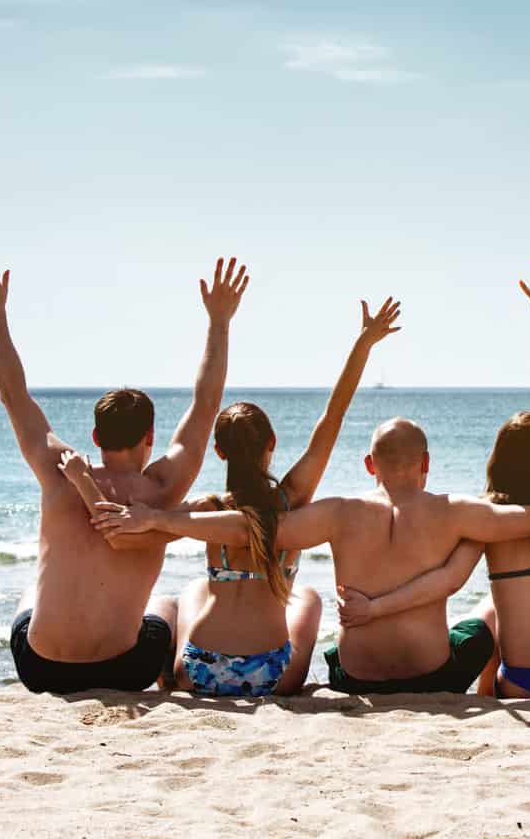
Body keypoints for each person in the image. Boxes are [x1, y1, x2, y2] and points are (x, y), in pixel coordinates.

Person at [97, 414, 530, 696]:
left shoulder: (338, 511)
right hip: (435, 675)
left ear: (369, 467)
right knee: (486, 625)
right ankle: (493, 692)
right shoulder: (456, 512)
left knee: (322, 626)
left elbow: (260, 524)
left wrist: (160, 520)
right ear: (427, 463)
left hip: (353, 675)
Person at [72, 299, 403, 697]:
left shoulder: (206, 509)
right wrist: (364, 344)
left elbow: (122, 536)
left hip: (197, 673)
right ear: (272, 444)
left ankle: (168, 673)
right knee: (308, 598)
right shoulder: (291, 500)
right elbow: (332, 417)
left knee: (194, 591)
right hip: (274, 676)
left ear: (219, 452)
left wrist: (84, 482)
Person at [0, 249, 247, 694]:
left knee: (30, 597)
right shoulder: (163, 486)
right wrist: (219, 322)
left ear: (96, 438)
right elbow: (206, 404)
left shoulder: (59, 471)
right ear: (149, 438)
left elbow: (14, 397)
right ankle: (169, 683)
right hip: (124, 671)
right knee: (167, 606)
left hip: (41, 671)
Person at [334, 271, 530, 700]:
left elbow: (448, 578)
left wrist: (375, 607)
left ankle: (487, 690)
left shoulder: (487, 515)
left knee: (489, 612)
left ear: (499, 457)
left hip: (526, 683)